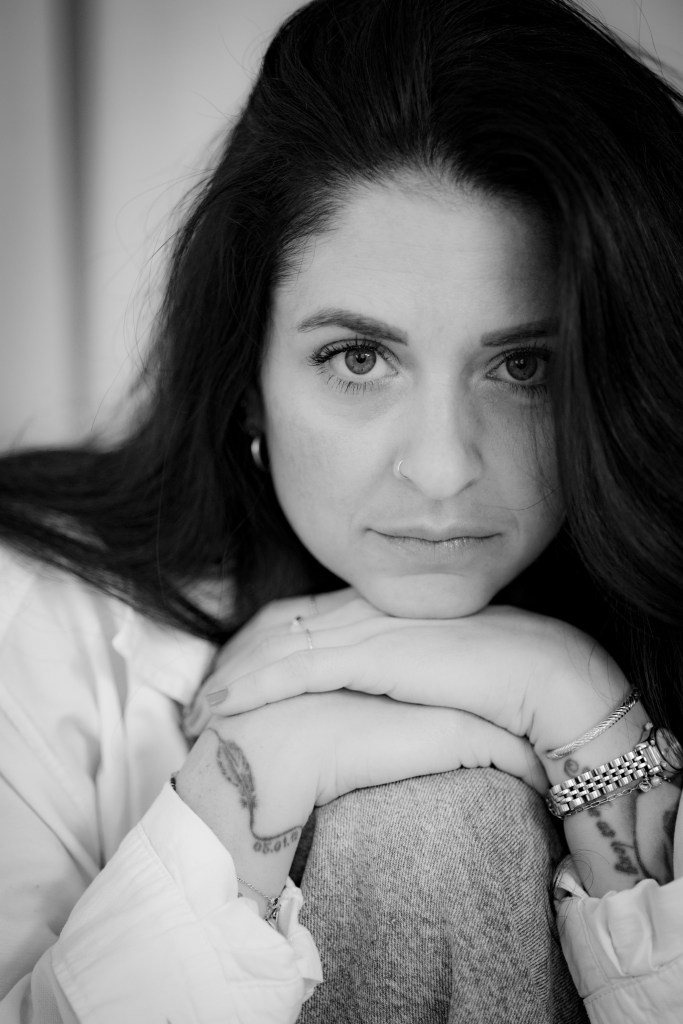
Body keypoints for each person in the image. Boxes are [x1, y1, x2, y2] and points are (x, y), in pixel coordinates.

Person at [0, 0, 682, 1021]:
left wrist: (573, 696)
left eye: (524, 367)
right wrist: (248, 785)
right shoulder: (32, 617)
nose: (442, 469)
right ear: (245, 379)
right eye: (358, 358)